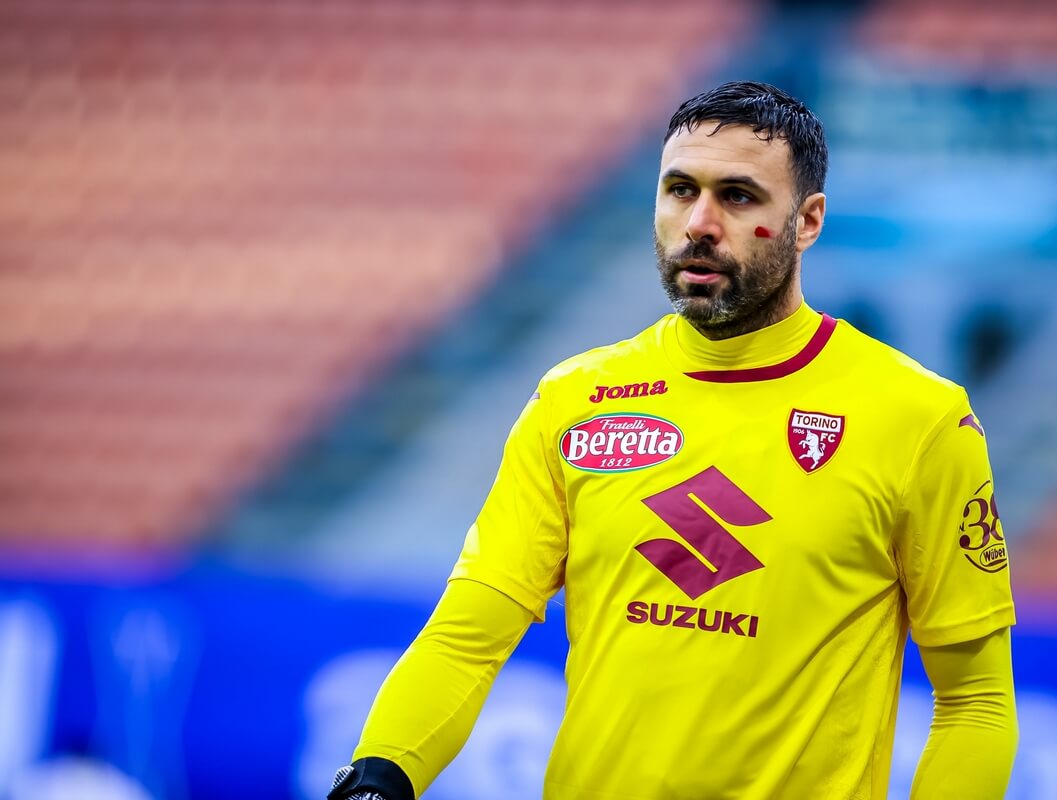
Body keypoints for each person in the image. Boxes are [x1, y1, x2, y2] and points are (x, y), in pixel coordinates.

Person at [328, 81, 1018, 800]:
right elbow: (467, 638)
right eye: (679, 190)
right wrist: (379, 774)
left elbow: (976, 701)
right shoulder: (574, 399)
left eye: (739, 196)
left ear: (807, 220)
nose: (699, 222)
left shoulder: (920, 418)